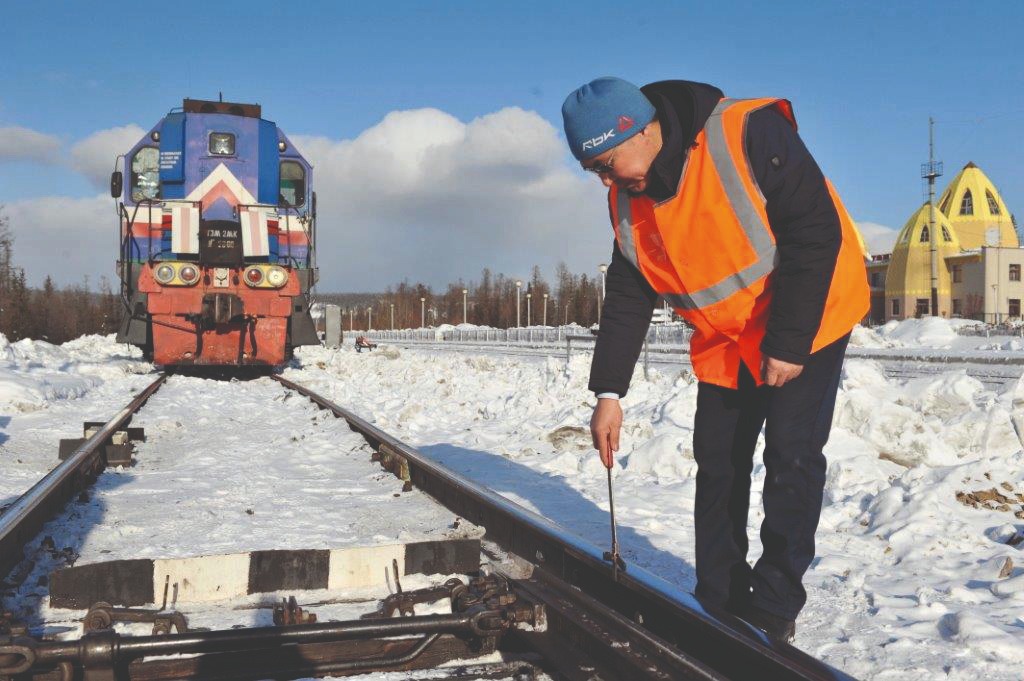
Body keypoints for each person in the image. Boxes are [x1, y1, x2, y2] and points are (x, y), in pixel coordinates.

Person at [561, 77, 869, 642]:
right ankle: (720, 597)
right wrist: (608, 393)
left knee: (790, 458)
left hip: (810, 312)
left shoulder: (746, 131)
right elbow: (630, 292)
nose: (606, 180)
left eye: (607, 163)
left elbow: (814, 231)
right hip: (728, 334)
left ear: (645, 130)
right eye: (594, 171)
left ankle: (775, 606)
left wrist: (788, 341)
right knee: (719, 459)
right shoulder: (626, 197)